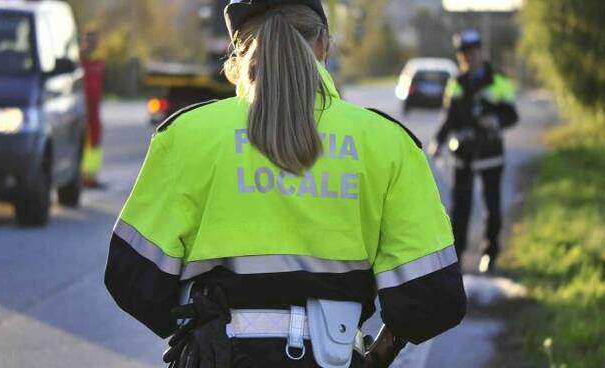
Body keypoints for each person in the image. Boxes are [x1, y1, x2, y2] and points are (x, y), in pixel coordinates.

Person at [104, 1, 466, 367]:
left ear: (239, 52)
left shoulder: (186, 136)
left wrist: (197, 323)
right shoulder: (388, 143)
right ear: (323, 43)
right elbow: (433, 299)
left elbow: (131, 279)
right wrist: (378, 352)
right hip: (333, 357)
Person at [428, 30, 519, 273]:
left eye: (473, 51)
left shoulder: (498, 79)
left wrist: (496, 120)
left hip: (490, 152)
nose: (470, 57)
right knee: (460, 209)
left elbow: (512, 115)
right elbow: (448, 117)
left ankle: (490, 255)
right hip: (463, 154)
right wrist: (438, 141)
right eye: (464, 54)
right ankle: (457, 257)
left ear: (481, 51)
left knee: (492, 207)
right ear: (461, 56)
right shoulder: (456, 81)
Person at [81, 29, 105, 188]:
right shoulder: (78, 60)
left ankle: (91, 176)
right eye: (89, 40)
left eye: (95, 40)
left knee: (95, 140)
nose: (92, 43)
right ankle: (81, 176)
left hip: (94, 108)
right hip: (81, 107)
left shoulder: (100, 61)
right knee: (81, 139)